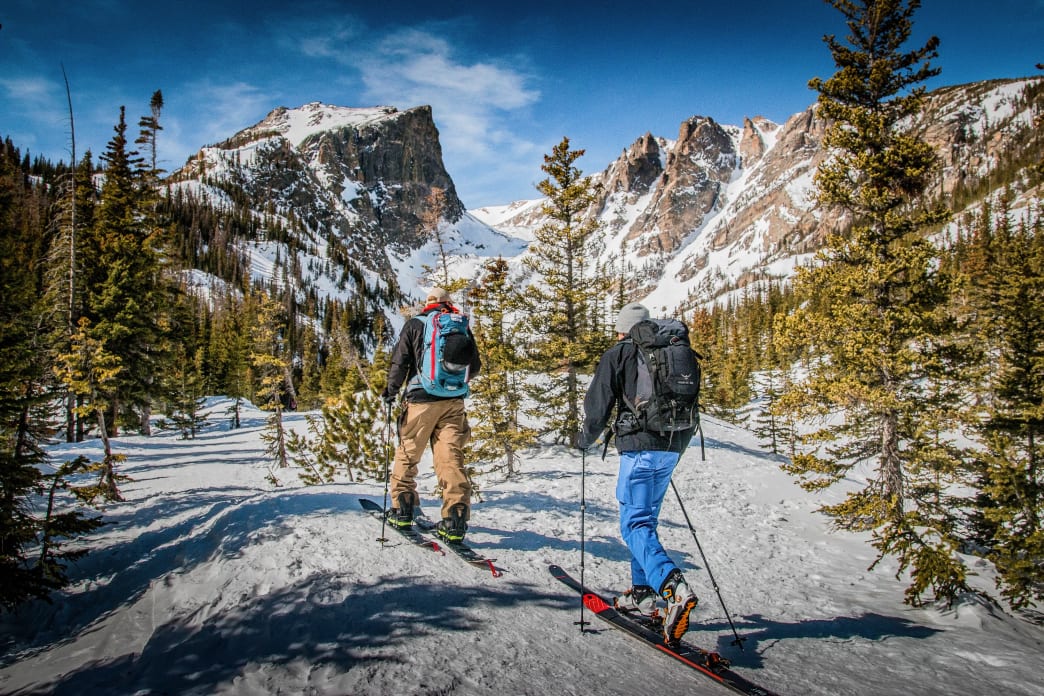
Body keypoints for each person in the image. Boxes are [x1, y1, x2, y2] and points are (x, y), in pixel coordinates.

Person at [578, 302, 699, 644]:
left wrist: (584, 439)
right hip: (671, 447)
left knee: (634, 525)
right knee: (645, 521)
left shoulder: (620, 352)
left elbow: (598, 403)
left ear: (623, 329)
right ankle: (643, 593)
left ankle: (673, 587)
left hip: (640, 449)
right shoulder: (673, 350)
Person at [381, 287, 482, 543]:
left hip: (420, 401)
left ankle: (402, 510)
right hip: (453, 403)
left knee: (408, 452)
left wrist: (391, 392)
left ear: (427, 303)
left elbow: (400, 361)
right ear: (448, 303)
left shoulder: (415, 325)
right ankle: (455, 519)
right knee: (451, 458)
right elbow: (476, 366)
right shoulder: (461, 327)